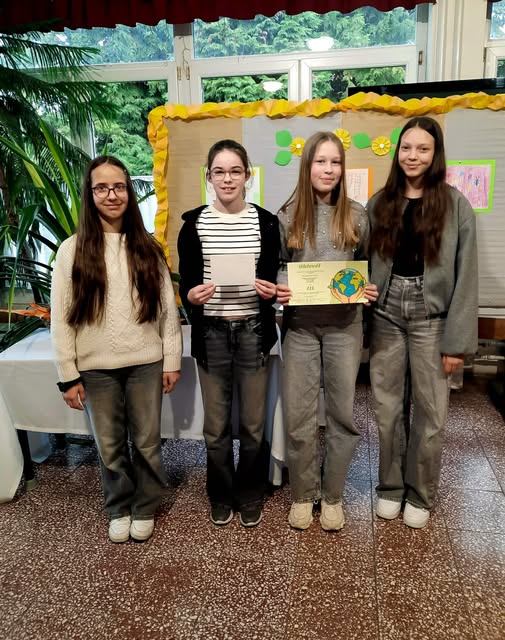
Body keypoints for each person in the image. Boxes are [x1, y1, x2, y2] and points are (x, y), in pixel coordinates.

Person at [51, 155, 182, 543]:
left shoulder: (147, 248)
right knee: (109, 445)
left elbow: (167, 312)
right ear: (89, 194)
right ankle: (119, 506)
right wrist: (68, 375)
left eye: (119, 186)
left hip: (146, 361)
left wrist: (171, 361)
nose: (112, 195)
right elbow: (61, 319)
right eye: (102, 188)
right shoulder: (71, 250)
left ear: (129, 191)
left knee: (147, 442)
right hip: (95, 367)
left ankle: (145, 506)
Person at [367, 116, 478, 529]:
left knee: (431, 413)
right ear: (398, 152)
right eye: (406, 148)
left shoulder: (455, 205)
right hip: (386, 314)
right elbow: (360, 264)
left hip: (433, 318)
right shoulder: (380, 203)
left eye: (423, 149)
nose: (412, 156)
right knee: (387, 409)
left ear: (435, 154)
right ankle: (390, 487)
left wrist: (457, 343)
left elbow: (466, 276)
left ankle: (420, 493)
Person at [276, 131, 378, 531]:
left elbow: (366, 263)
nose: (328, 169)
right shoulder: (287, 215)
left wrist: (368, 288)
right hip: (300, 328)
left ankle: (332, 495)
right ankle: (303, 494)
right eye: (321, 161)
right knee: (299, 415)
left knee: (341, 414)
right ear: (308, 166)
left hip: (344, 327)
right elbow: (278, 265)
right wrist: (282, 285)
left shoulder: (357, 215)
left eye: (335, 162)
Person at [177, 139, 280, 528]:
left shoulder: (265, 222)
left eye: (235, 171)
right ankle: (220, 493)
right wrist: (190, 295)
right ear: (208, 176)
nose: (227, 179)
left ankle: (250, 491)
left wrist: (270, 290)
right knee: (216, 426)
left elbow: (272, 278)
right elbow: (187, 283)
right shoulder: (194, 224)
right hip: (212, 332)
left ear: (247, 176)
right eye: (219, 171)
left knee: (253, 424)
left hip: (254, 329)